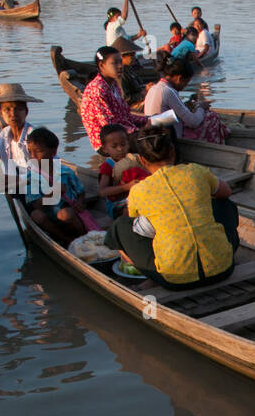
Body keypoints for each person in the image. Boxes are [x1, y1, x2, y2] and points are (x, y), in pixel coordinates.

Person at [103, 126, 240, 290]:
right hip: (223, 268)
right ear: (173, 151)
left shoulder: (139, 190)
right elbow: (226, 191)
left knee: (120, 226)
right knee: (224, 203)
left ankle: (150, 275)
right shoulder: (196, 171)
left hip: (175, 280)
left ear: (143, 161)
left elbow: (138, 228)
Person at [21, 127, 87, 244]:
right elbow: (36, 205)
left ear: (53, 152)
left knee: (65, 214)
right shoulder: (32, 178)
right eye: (30, 152)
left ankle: (85, 237)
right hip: (49, 217)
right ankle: (65, 239)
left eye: (39, 151)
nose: (33, 156)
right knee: (36, 215)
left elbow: (80, 191)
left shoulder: (66, 172)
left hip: (68, 214)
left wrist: (80, 202)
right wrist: (53, 192)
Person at [143, 56, 229, 143]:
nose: (185, 86)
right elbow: (193, 122)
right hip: (168, 137)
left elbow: (172, 115)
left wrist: (189, 107)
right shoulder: (168, 91)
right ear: (179, 78)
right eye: (186, 82)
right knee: (211, 116)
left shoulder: (153, 88)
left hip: (156, 129)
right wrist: (201, 107)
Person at [79, 45, 150, 149]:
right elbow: (109, 126)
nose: (120, 66)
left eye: (120, 62)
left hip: (123, 131)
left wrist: (148, 119)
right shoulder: (97, 89)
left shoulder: (113, 84)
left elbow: (126, 116)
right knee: (153, 139)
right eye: (115, 63)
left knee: (161, 128)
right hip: (109, 142)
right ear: (102, 66)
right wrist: (138, 131)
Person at [0, 82, 42, 174]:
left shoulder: (34, 136)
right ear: (1, 113)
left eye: (18, 109)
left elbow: (43, 169)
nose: (13, 114)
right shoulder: (4, 134)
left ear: (26, 112)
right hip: (11, 183)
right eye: (7, 109)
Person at [91, 123, 149, 218]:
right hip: (118, 204)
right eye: (114, 146)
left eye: (123, 144)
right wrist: (126, 187)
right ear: (105, 149)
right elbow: (102, 192)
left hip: (138, 198)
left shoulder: (135, 159)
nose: (120, 149)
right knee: (128, 210)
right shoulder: (108, 166)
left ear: (128, 143)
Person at [109, 37, 149, 107]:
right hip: (130, 107)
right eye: (132, 55)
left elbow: (138, 86)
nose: (134, 58)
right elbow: (124, 99)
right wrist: (142, 93)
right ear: (122, 57)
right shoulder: (120, 74)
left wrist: (147, 87)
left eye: (134, 55)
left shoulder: (129, 69)